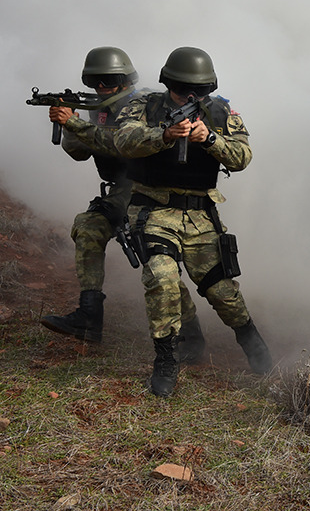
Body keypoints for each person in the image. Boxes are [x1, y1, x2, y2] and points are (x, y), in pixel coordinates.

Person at [114, 46, 272, 397]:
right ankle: (167, 360)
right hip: (153, 210)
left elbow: (243, 156)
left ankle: (255, 348)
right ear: (169, 82)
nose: (191, 96)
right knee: (161, 277)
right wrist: (164, 135)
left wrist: (209, 139)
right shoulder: (144, 105)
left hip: (201, 215)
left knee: (223, 293)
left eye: (199, 91)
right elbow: (123, 140)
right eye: (185, 88)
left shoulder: (220, 111)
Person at [39, 47, 202, 351]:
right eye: (96, 82)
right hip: (120, 189)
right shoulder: (98, 109)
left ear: (125, 79)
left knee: (155, 259)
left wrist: (77, 125)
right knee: (88, 227)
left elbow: (124, 145)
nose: (102, 88)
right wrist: (69, 123)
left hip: (152, 191)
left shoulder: (147, 104)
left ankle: (191, 333)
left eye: (109, 81)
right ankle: (89, 316)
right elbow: (78, 152)